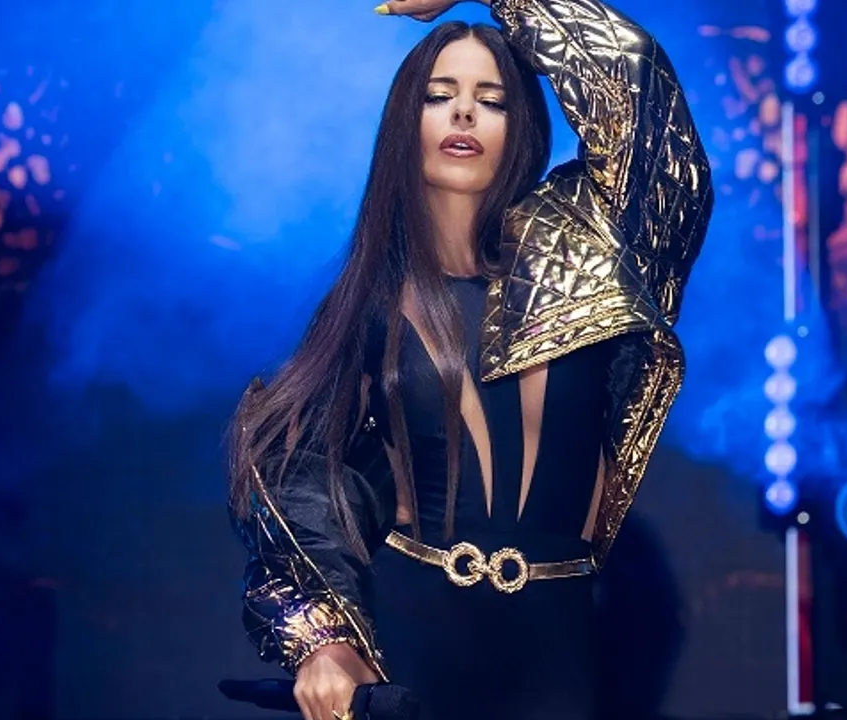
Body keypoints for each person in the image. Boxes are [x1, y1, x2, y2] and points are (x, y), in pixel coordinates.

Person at [227, 0, 713, 718]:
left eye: (491, 100)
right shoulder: (369, 303)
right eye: (439, 96)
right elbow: (298, 475)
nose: (463, 114)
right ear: (407, 121)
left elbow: (644, 111)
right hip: (412, 633)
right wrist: (324, 641)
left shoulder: (589, 263)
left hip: (560, 641)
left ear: (523, 125)